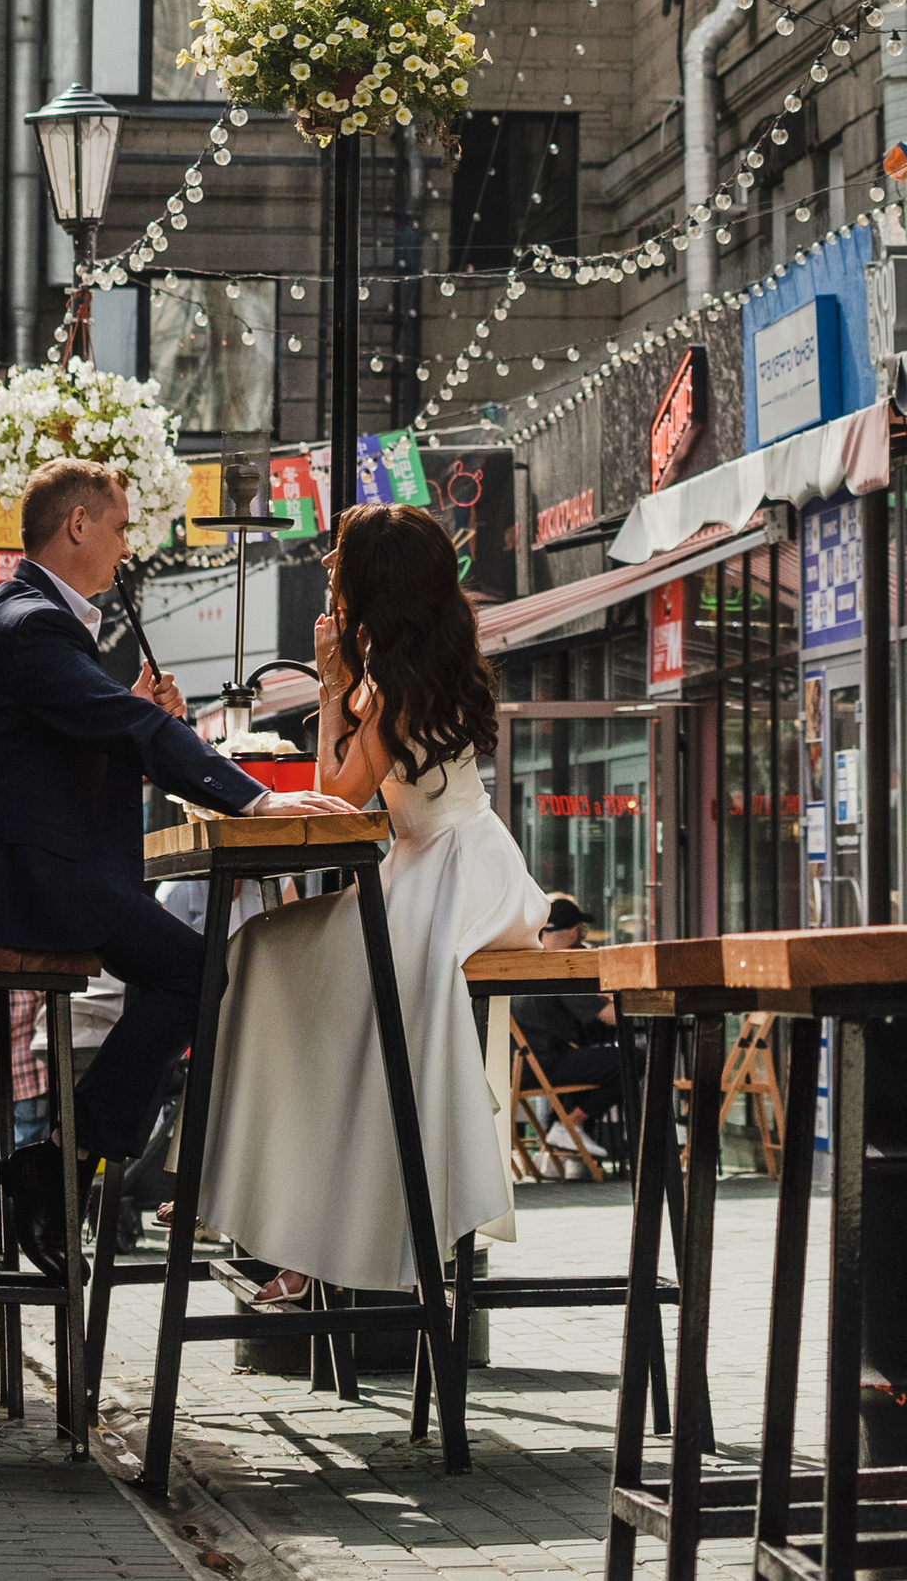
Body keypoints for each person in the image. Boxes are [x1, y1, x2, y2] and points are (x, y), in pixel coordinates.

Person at [198, 502, 546, 1298]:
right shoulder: (424, 665)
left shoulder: (388, 689)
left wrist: (329, 683)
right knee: (287, 969)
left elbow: (338, 796)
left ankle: (287, 1215)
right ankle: (293, 1218)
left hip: (444, 876)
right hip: (450, 863)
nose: (328, 579)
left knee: (272, 960)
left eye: (339, 569)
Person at [0, 456, 264, 1273]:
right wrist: (251, 801)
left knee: (188, 971)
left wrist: (136, 718)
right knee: (196, 972)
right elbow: (125, 731)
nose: (126, 548)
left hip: (37, 872)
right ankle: (65, 1160)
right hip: (19, 882)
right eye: (119, 528)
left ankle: (63, 1161)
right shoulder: (31, 624)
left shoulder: (35, 620)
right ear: (78, 525)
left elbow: (80, 745)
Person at [513, 895, 627, 1161]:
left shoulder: (529, 963)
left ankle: (559, 1156)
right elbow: (614, 1018)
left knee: (587, 1062)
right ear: (575, 931)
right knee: (631, 1059)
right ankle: (569, 1127)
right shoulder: (562, 968)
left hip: (515, 1066)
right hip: (541, 1066)